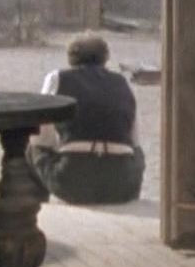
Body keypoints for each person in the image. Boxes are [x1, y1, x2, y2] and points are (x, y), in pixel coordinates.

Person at [26, 32, 146, 205]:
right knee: (137, 152)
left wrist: (61, 146)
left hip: (73, 181)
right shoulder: (122, 83)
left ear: (71, 58)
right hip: (122, 185)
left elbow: (40, 132)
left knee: (32, 147)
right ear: (105, 58)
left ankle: (36, 205)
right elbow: (134, 140)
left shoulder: (58, 78)